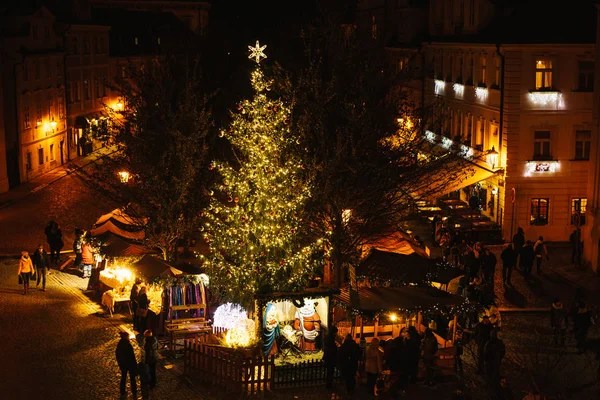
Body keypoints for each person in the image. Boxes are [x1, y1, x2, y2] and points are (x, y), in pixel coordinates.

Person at [115, 331, 137, 399]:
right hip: (130, 364)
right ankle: (134, 392)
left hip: (123, 365)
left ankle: (122, 392)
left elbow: (117, 355)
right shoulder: (128, 344)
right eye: (128, 336)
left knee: (123, 378)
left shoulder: (120, 344)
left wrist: (120, 364)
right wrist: (135, 365)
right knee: (132, 379)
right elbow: (132, 356)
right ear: (126, 337)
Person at [322, 326, 338, 390]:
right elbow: (332, 348)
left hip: (328, 357)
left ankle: (329, 384)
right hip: (330, 357)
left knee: (329, 372)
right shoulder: (331, 339)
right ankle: (329, 385)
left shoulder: (327, 338)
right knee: (330, 372)